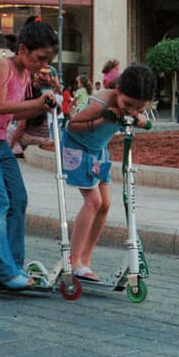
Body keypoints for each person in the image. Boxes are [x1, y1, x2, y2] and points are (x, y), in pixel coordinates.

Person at [0, 20, 59, 291]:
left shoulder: (25, 73)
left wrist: (44, 105)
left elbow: (16, 112)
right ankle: (2, 271)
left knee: (18, 198)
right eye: (40, 58)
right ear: (23, 50)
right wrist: (38, 102)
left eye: (48, 60)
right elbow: (1, 105)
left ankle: (14, 267)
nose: (43, 65)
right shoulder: (3, 66)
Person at [61, 64, 154, 282]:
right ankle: (73, 260)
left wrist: (141, 119)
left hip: (98, 151)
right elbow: (72, 125)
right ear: (118, 89)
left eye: (138, 108)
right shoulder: (101, 102)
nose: (130, 111)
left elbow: (136, 119)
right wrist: (102, 120)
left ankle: (86, 258)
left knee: (105, 204)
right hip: (78, 149)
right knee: (93, 201)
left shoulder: (131, 107)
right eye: (127, 105)